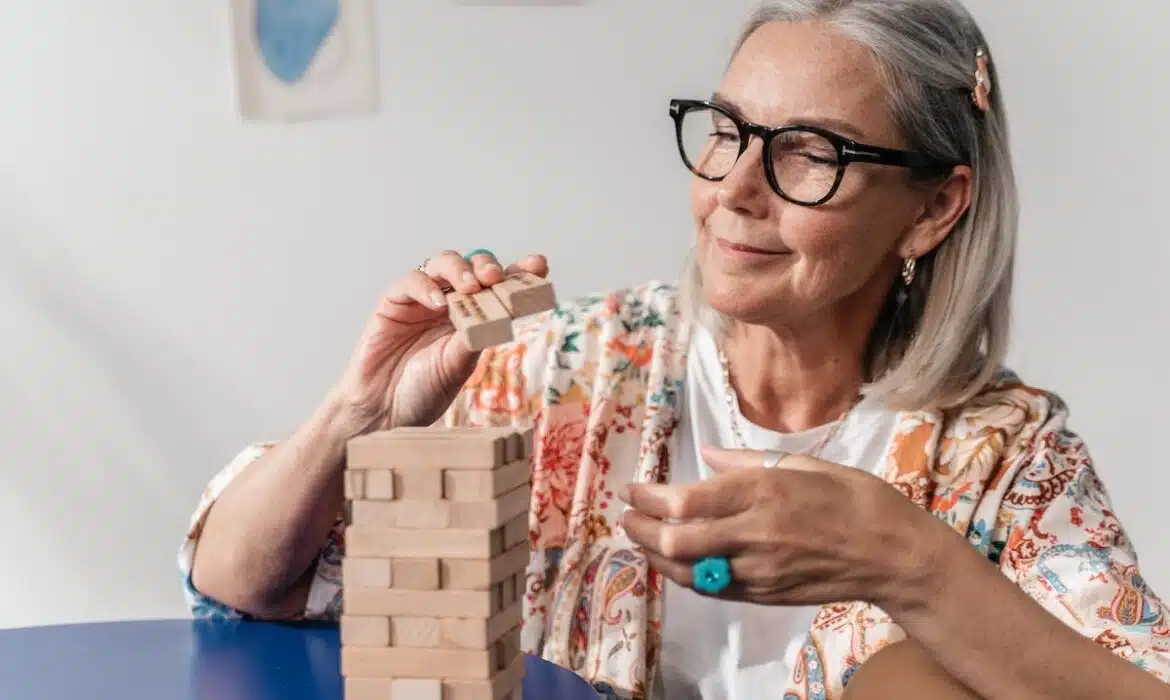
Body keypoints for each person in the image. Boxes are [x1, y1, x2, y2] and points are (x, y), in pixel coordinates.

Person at [179, 1, 1170, 698]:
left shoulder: (1004, 456)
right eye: (728, 132)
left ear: (934, 207)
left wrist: (910, 563)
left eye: (811, 153)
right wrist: (356, 414)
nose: (738, 187)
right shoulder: (570, 369)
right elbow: (242, 578)